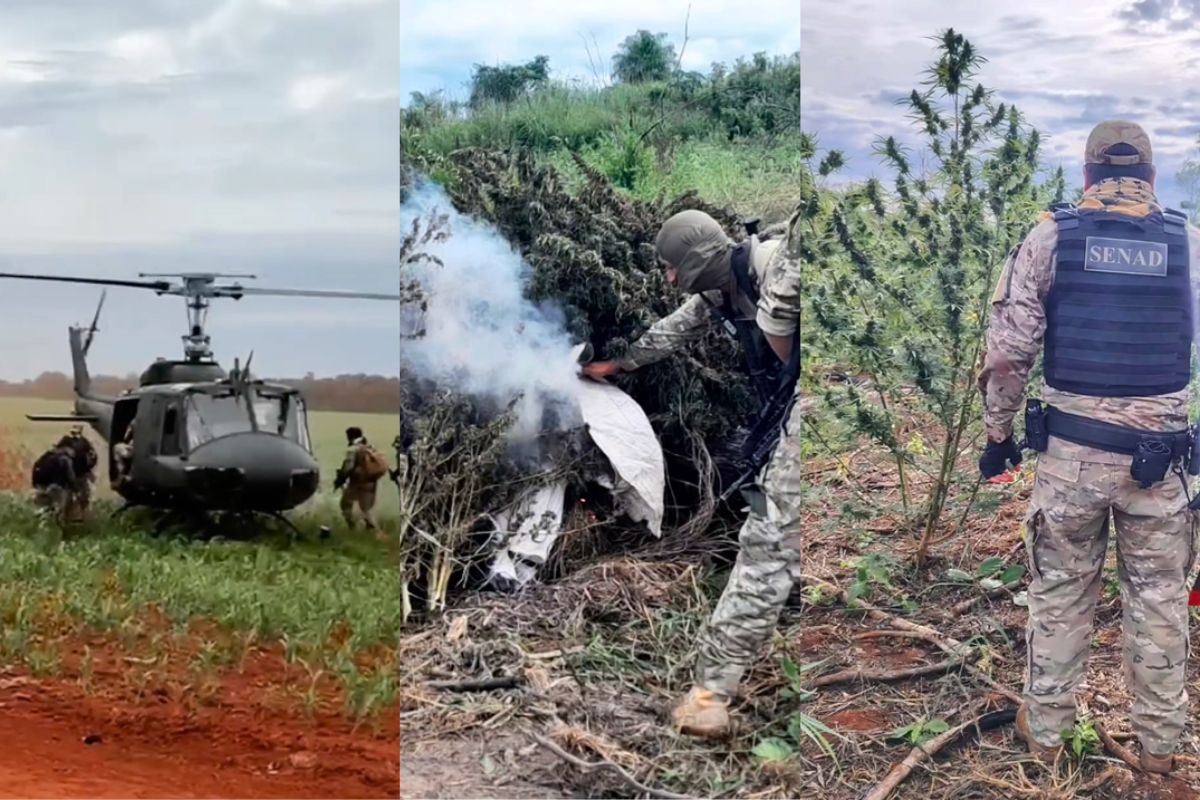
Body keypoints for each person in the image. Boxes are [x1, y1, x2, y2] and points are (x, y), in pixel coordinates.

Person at [977, 120, 1200, 774]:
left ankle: (1045, 739)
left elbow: (1008, 353)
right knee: (1161, 602)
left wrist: (998, 438)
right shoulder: (1187, 242)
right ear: (1152, 178)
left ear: (1086, 176)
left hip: (1071, 463)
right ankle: (1160, 752)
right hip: (1163, 466)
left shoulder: (1052, 237)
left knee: (1060, 595)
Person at [585, 208, 801, 737]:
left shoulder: (775, 270)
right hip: (790, 403)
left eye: (671, 268)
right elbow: (675, 329)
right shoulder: (722, 289)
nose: (669, 279)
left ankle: (710, 693)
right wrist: (623, 364)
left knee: (768, 540)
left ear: (697, 260)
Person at [31, 427, 97, 524]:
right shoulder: (69, 459)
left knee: (49, 506)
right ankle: (63, 521)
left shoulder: (53, 455)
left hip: (42, 478)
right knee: (62, 504)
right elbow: (73, 479)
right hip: (52, 480)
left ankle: (47, 520)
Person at [334, 426, 387, 531]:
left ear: (350, 436)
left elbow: (348, 467)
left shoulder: (353, 449)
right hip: (371, 482)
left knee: (345, 504)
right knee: (366, 509)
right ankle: (371, 530)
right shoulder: (369, 447)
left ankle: (354, 528)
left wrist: (340, 479)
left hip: (358, 483)